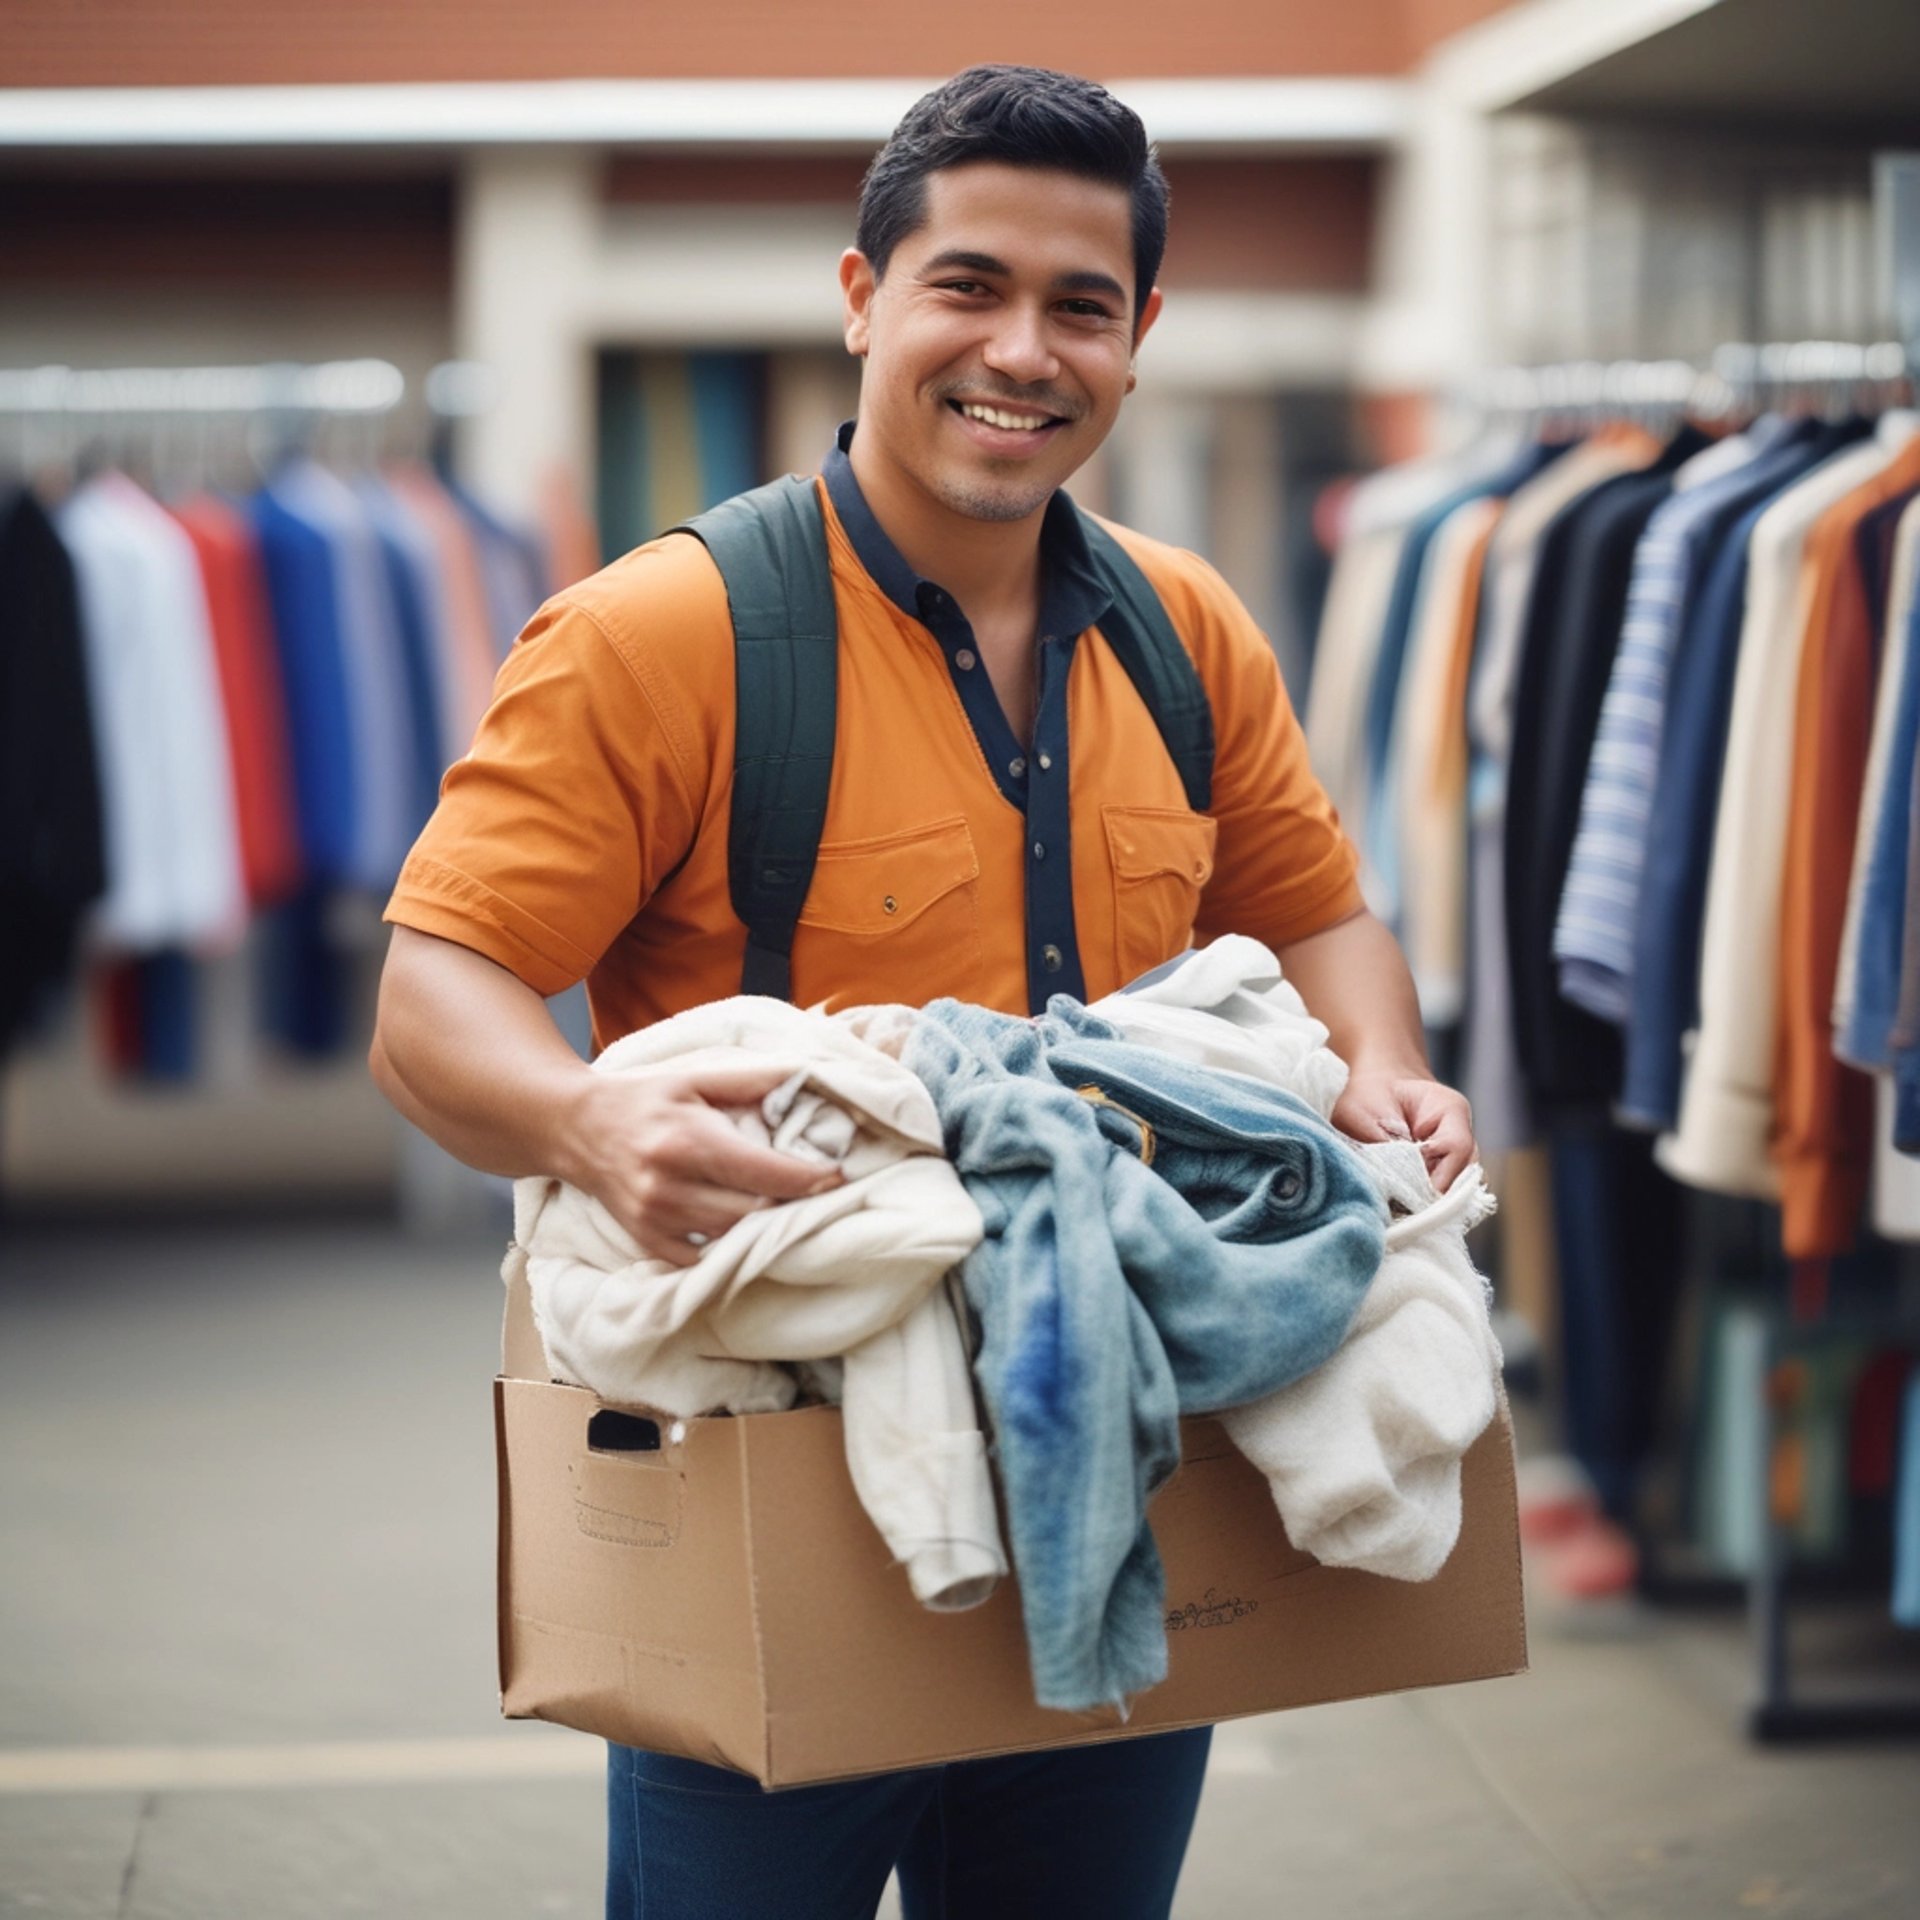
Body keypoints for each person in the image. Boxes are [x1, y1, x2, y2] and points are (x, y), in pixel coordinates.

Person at [371, 62, 1475, 1920]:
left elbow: (1321, 918)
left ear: (1136, 340)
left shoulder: (1187, 633)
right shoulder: (666, 633)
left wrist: (1382, 1064)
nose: (1022, 352)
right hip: (786, 1449)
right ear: (864, 298)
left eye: (1081, 306)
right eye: (968, 286)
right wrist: (585, 1119)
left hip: (1134, 1438)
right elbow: (434, 1001)